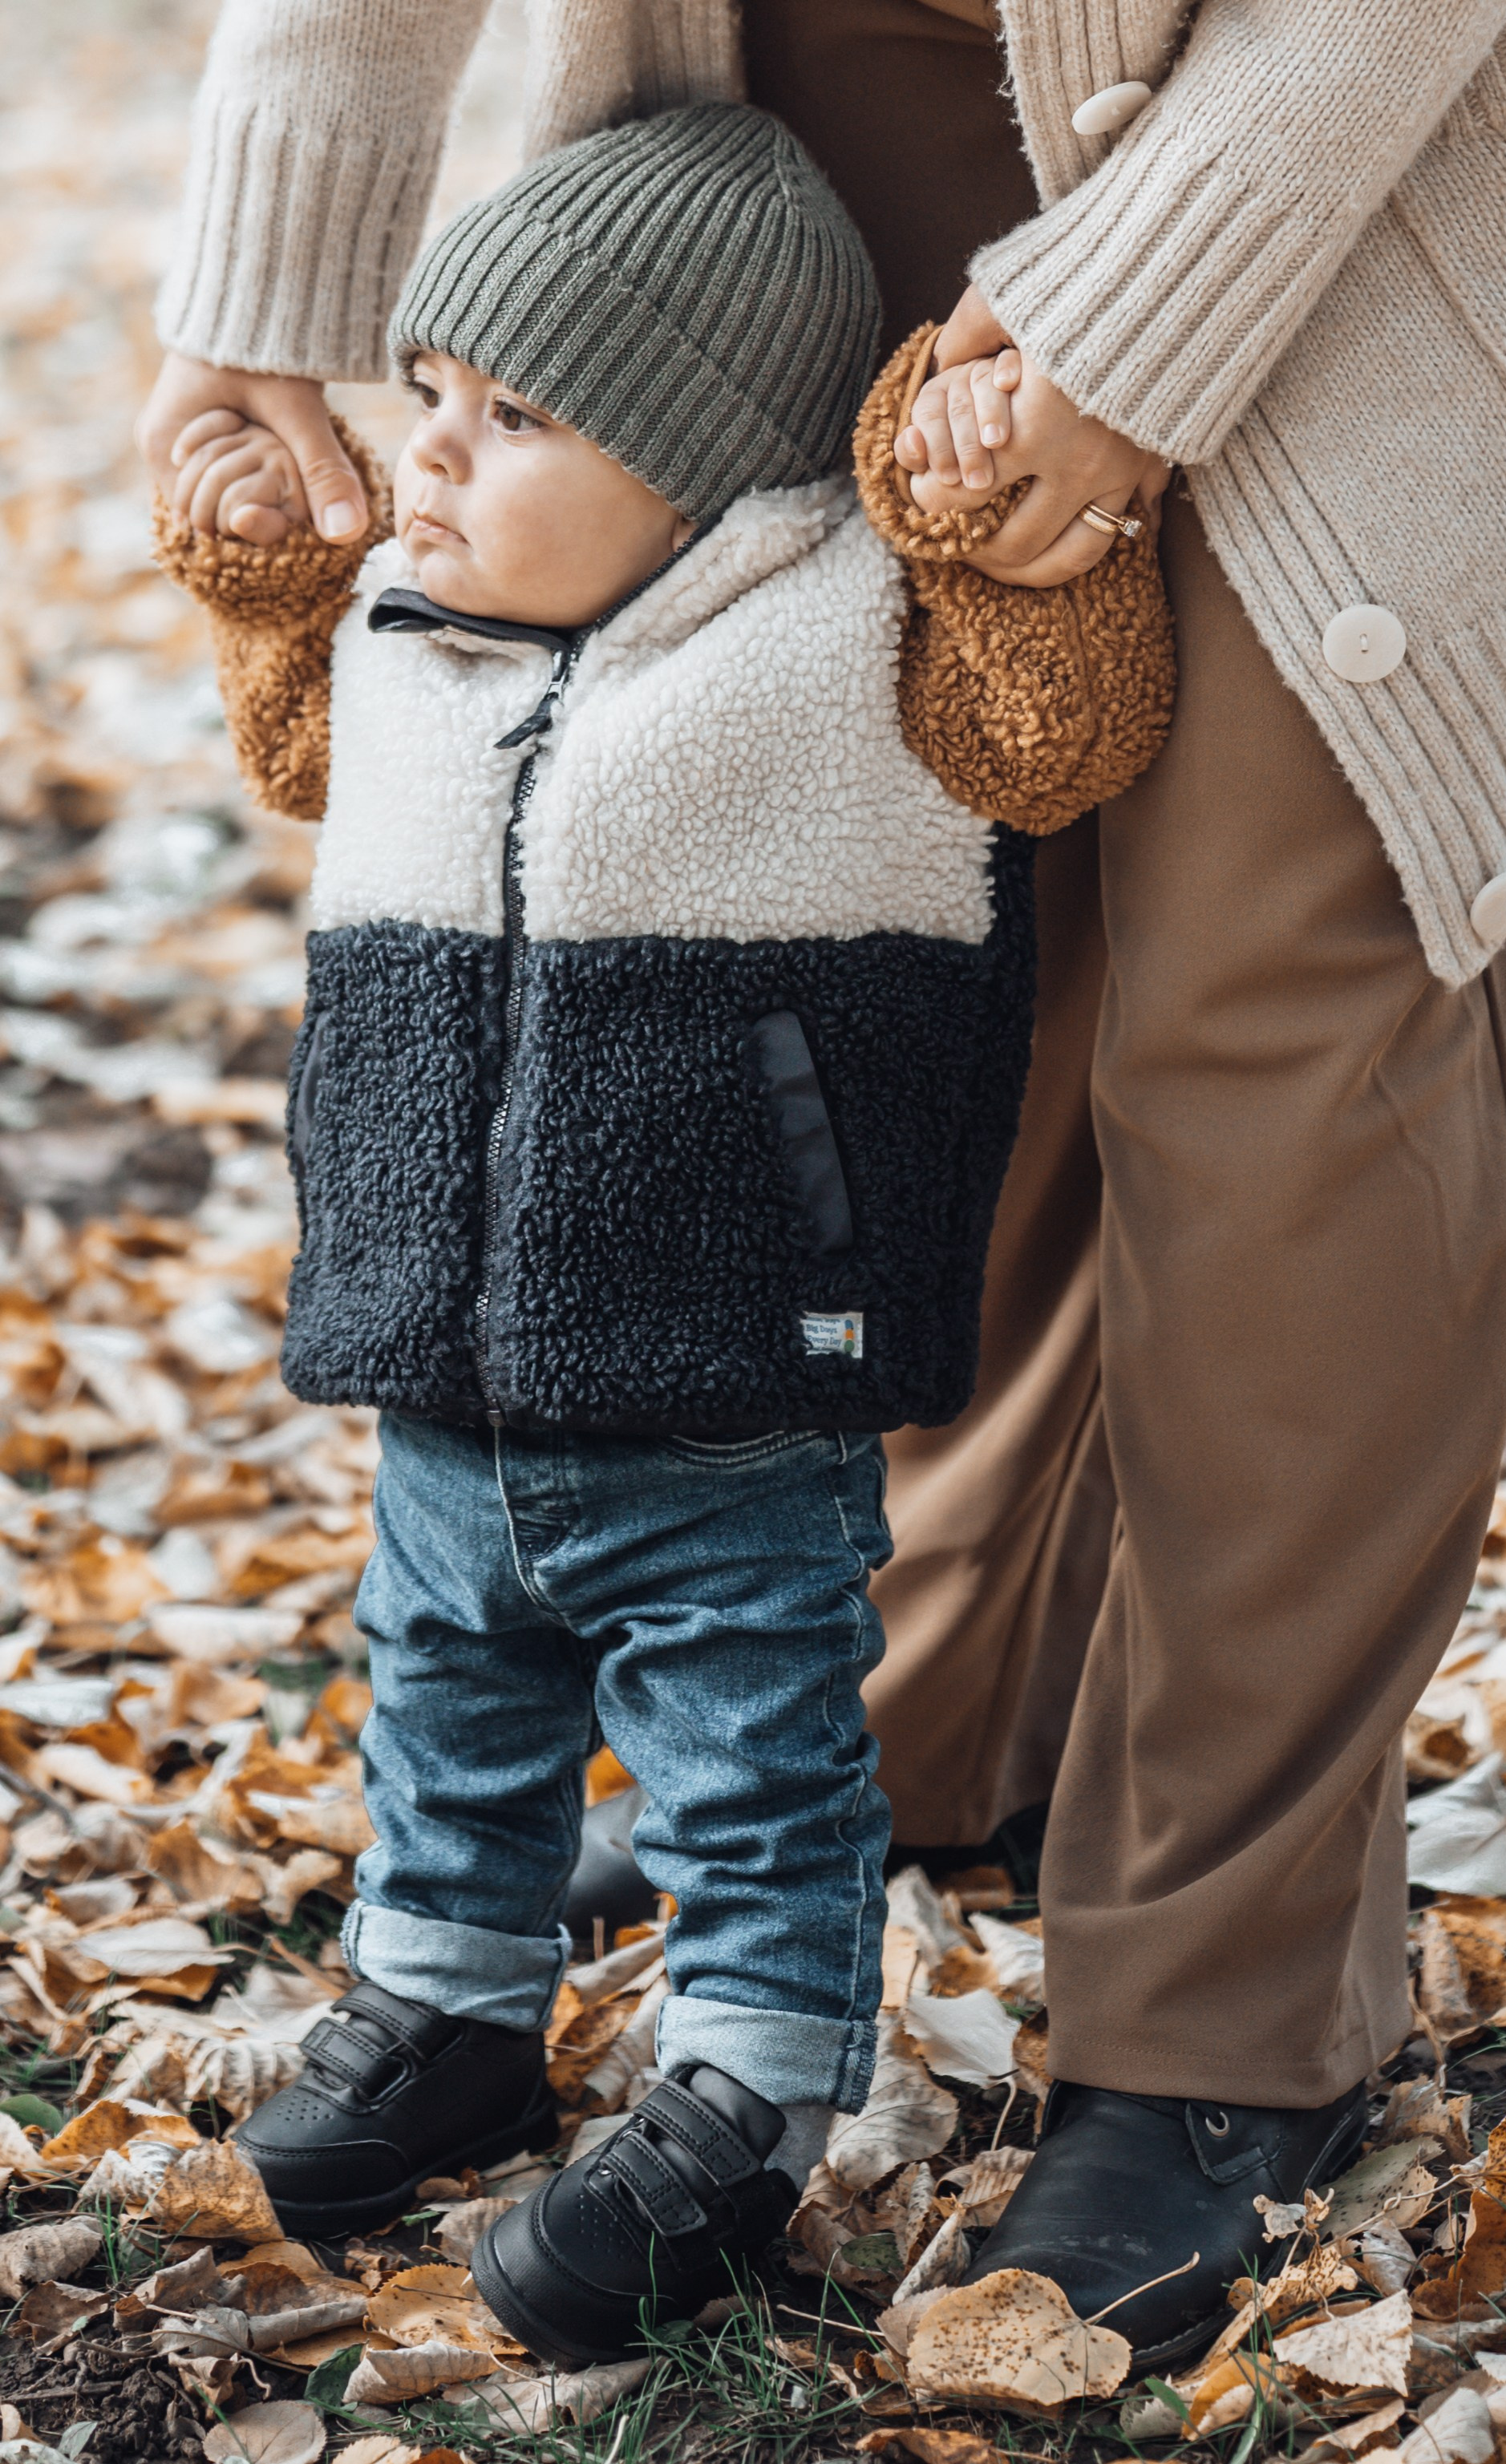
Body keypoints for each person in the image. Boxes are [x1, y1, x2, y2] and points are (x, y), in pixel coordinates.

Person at [140, 0, 1506, 2367]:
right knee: (883, 927)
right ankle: (907, 1724)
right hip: (790, 91)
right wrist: (270, 291)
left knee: (1274, 1019)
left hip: (1350, 116)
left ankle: (1223, 2005)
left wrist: (1141, 303)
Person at [152, 103, 1173, 2361]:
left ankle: (746, 2084)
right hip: (438, 1360)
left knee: (749, 1755)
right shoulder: (418, 623)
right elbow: (302, 749)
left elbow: (1054, 732)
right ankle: (443, 2007)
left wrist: (1008, 531)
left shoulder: (841, 647)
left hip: (731, 1382)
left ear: (711, 472)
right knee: (446, 1715)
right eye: (429, 393)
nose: (431, 456)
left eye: (516, 416)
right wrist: (254, 586)